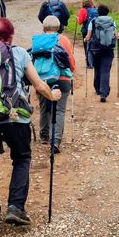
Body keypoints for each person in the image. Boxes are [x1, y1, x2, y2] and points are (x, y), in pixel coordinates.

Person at [0, 17, 61, 235]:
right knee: (21, 158)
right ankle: (15, 206)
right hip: (14, 116)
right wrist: (53, 95)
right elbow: (39, 85)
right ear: (11, 36)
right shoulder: (19, 53)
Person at [31, 15, 77, 153]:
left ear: (44, 27)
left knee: (45, 107)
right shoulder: (63, 40)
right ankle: (55, 141)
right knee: (60, 110)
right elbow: (70, 62)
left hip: (43, 79)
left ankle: (44, 136)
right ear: (58, 27)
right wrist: (71, 72)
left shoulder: (38, 40)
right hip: (62, 79)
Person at [85, 4, 119, 103]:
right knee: (105, 70)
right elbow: (116, 35)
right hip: (108, 49)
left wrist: (86, 39)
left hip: (96, 49)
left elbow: (88, 36)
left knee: (97, 68)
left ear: (98, 12)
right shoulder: (112, 21)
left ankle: (97, 89)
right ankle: (104, 93)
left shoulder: (93, 21)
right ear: (107, 12)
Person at [76, 0, 98, 68]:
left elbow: (80, 22)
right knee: (96, 45)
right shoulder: (95, 9)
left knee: (87, 46)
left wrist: (77, 18)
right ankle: (96, 62)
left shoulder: (83, 10)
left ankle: (89, 63)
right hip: (96, 30)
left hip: (86, 31)